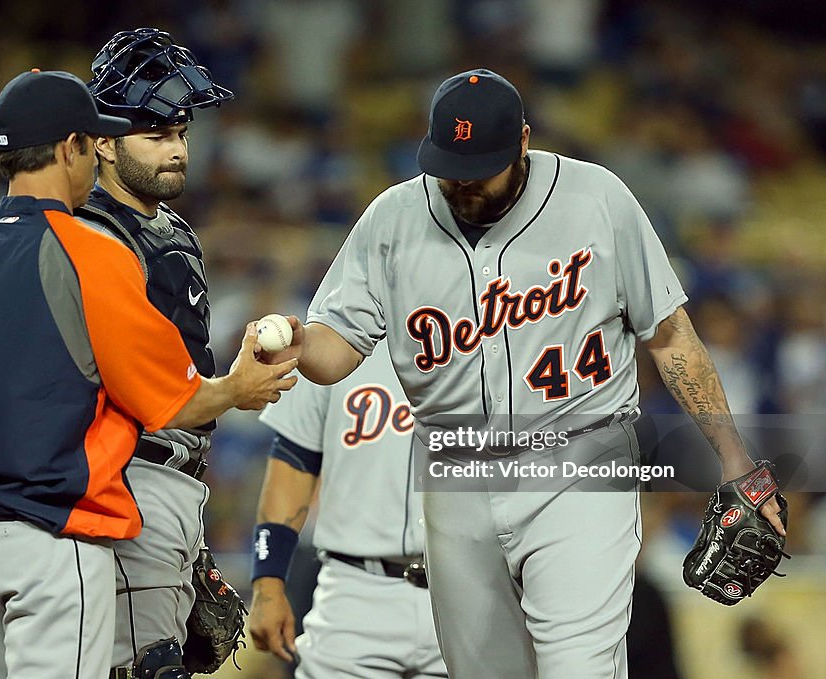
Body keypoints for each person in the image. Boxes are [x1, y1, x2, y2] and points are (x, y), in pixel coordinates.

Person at [263, 69, 786, 678]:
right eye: (449, 165)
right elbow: (338, 352)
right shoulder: (392, 220)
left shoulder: (598, 200)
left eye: (478, 166)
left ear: (523, 144)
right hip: (455, 465)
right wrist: (299, 344)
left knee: (578, 668)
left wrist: (734, 459)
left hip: (580, 458)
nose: (461, 183)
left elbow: (670, 337)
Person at [0, 69, 296, 679]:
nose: (96, 158)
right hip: (51, 538)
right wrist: (237, 389)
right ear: (71, 147)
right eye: (93, 142)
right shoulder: (91, 253)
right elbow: (171, 403)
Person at [75, 28, 237, 679]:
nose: (175, 150)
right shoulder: (89, 234)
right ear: (105, 143)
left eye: (180, 132)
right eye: (155, 135)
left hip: (170, 484)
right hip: (126, 482)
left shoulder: (168, 227)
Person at [248, 342, 447, 678]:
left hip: (466, 588)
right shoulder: (335, 333)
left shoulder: (493, 326)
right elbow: (295, 457)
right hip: (355, 590)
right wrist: (267, 581)